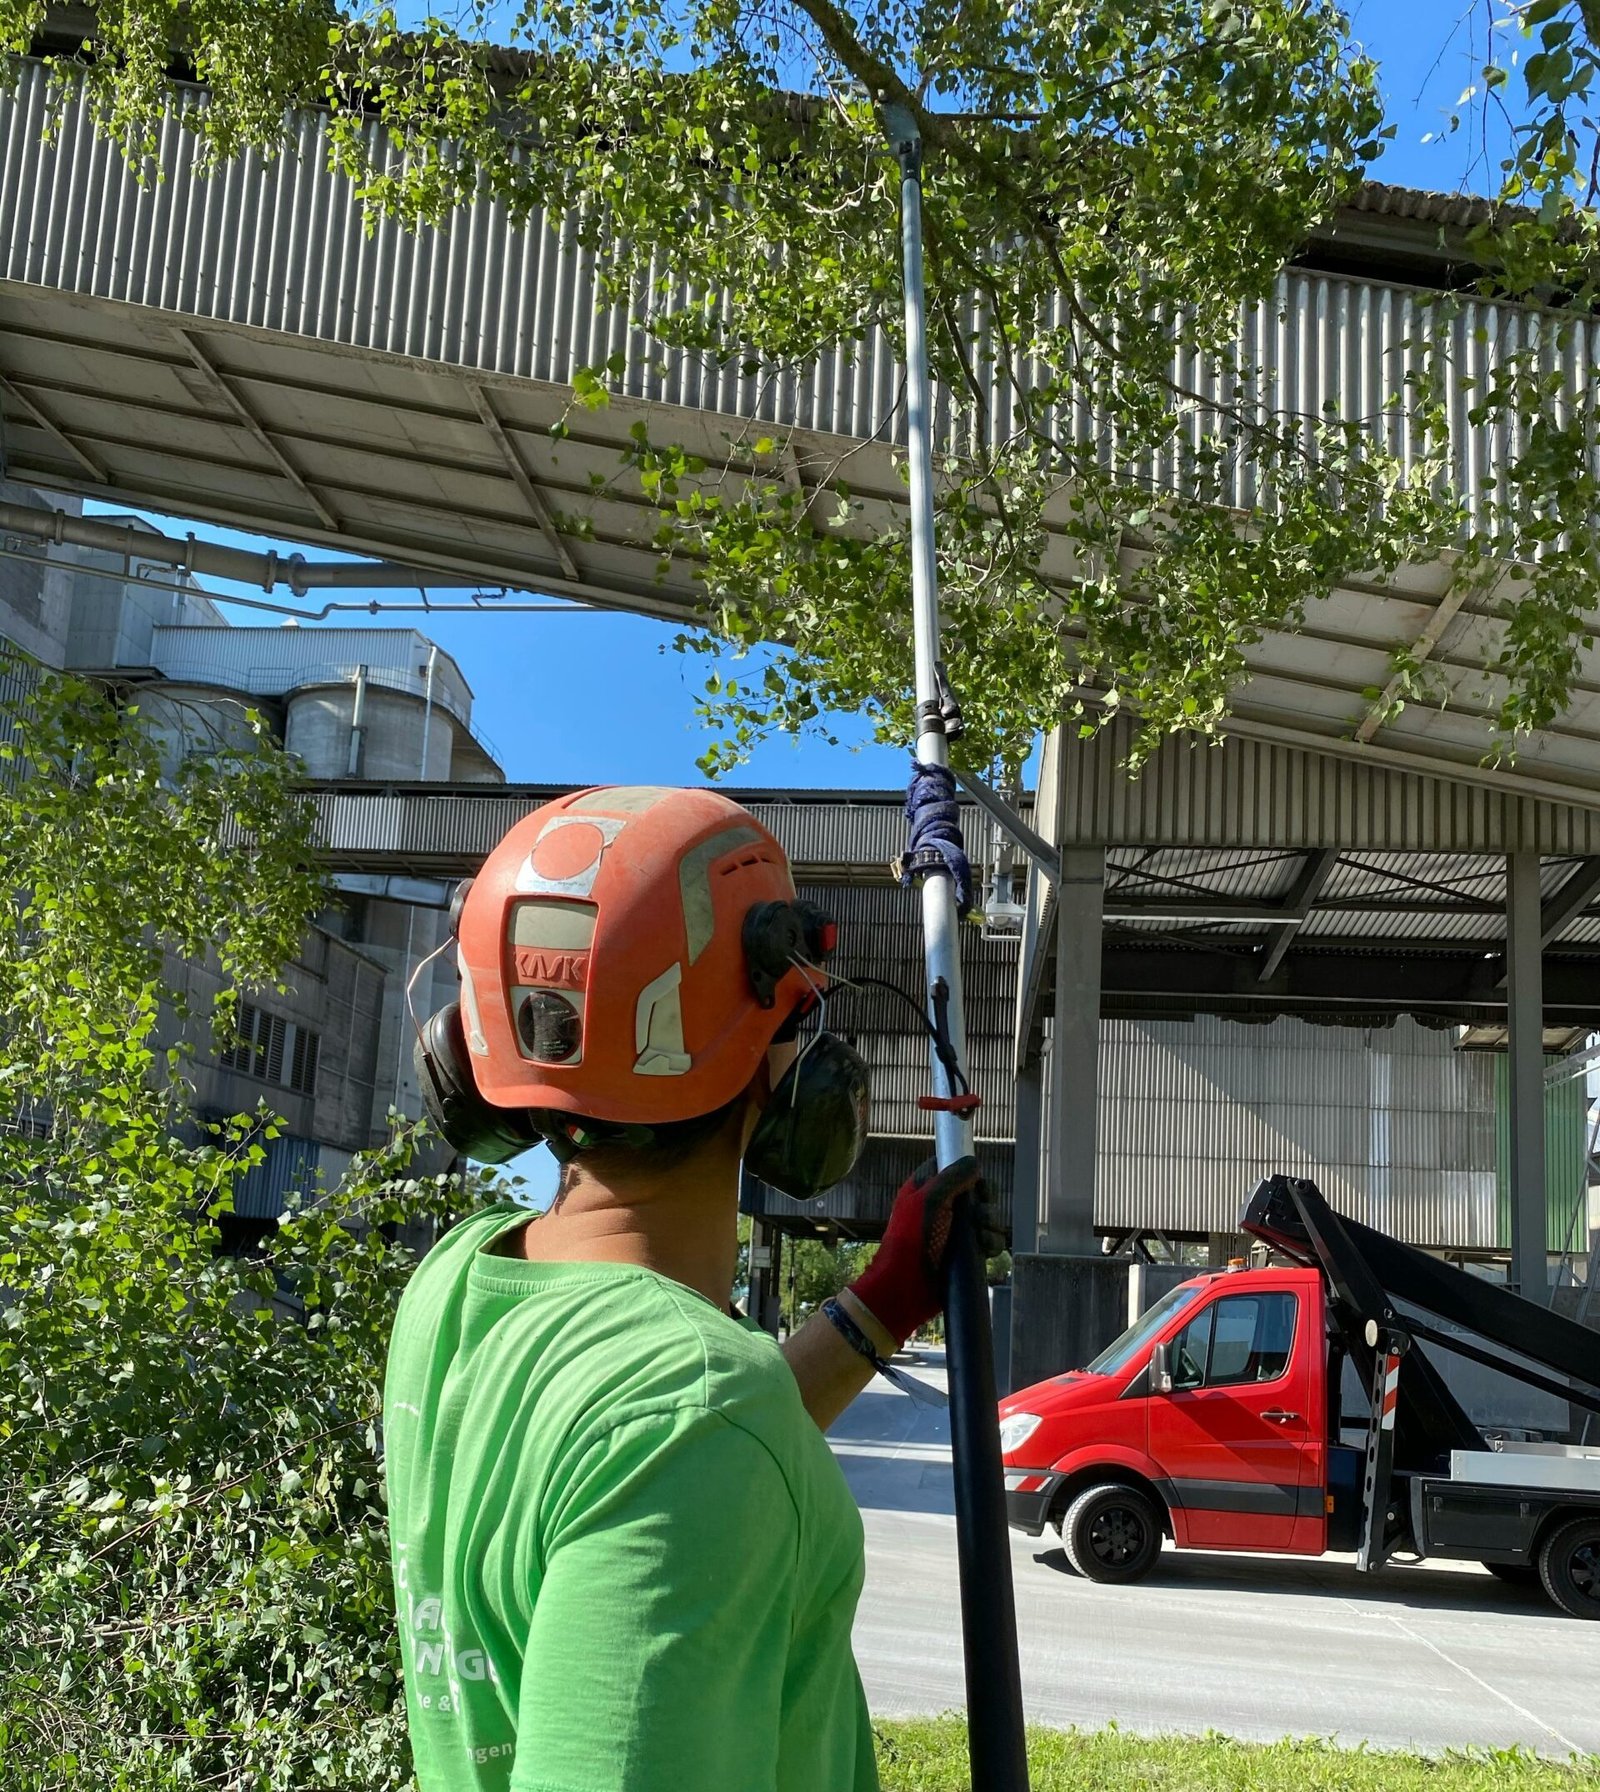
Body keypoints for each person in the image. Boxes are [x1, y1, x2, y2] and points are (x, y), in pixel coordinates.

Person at [385, 785, 997, 1792]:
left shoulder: (456, 1284)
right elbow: (675, 1445)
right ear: (782, 1061)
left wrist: (879, 1305)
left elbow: (641, 1445)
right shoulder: (691, 1426)